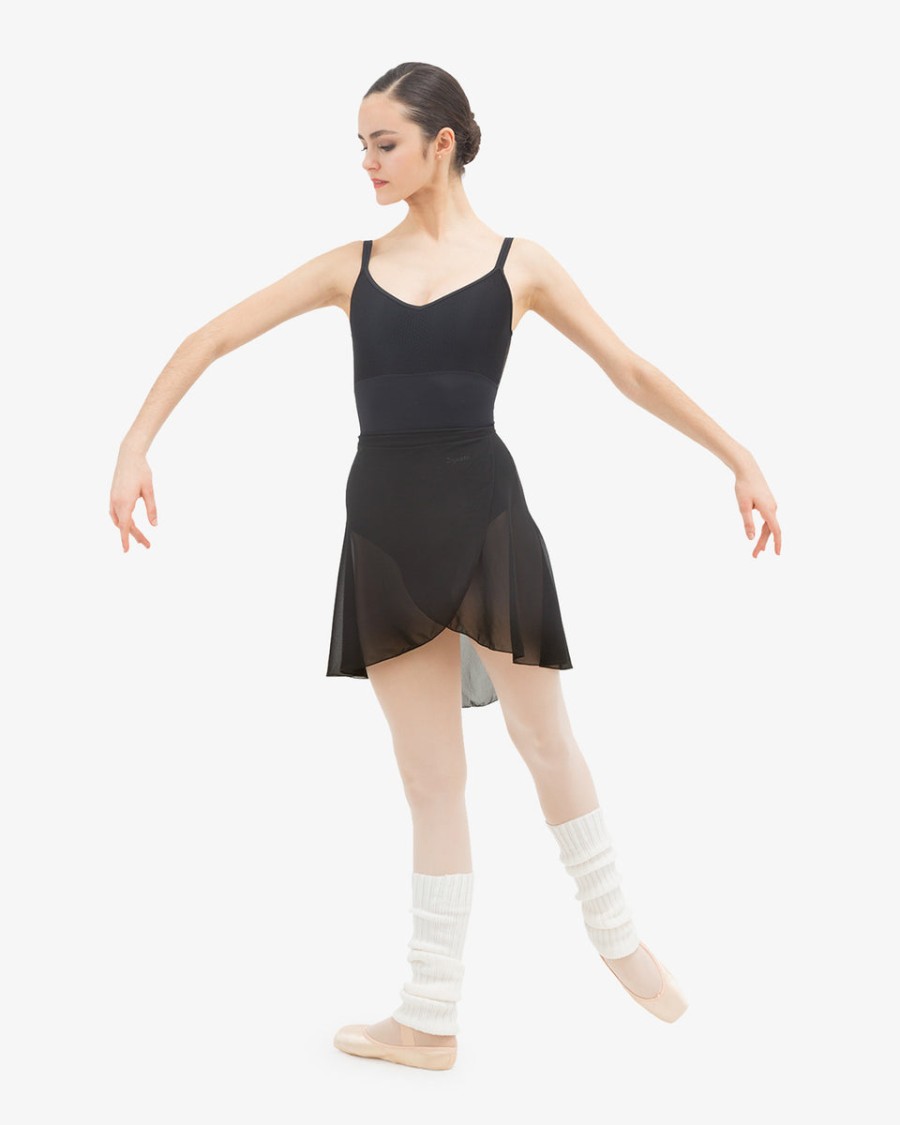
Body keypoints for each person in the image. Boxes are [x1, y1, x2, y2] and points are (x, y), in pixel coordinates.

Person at [109, 61, 782, 1072]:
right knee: (430, 778)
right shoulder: (348, 268)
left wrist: (740, 457)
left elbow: (630, 370)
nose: (367, 162)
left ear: (443, 143)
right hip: (384, 533)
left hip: (487, 523)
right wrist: (134, 447)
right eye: (360, 145)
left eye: (384, 143)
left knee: (544, 738)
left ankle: (619, 940)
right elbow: (210, 337)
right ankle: (428, 1016)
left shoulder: (522, 264)